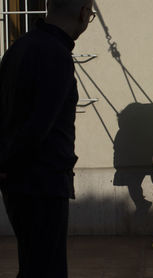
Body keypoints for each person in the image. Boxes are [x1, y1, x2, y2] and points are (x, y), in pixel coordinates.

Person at [0, 0, 95, 277]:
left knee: (33, 265)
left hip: (18, 181)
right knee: (46, 269)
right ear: (83, 13)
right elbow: (40, 124)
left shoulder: (18, 47)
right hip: (42, 180)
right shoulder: (56, 55)